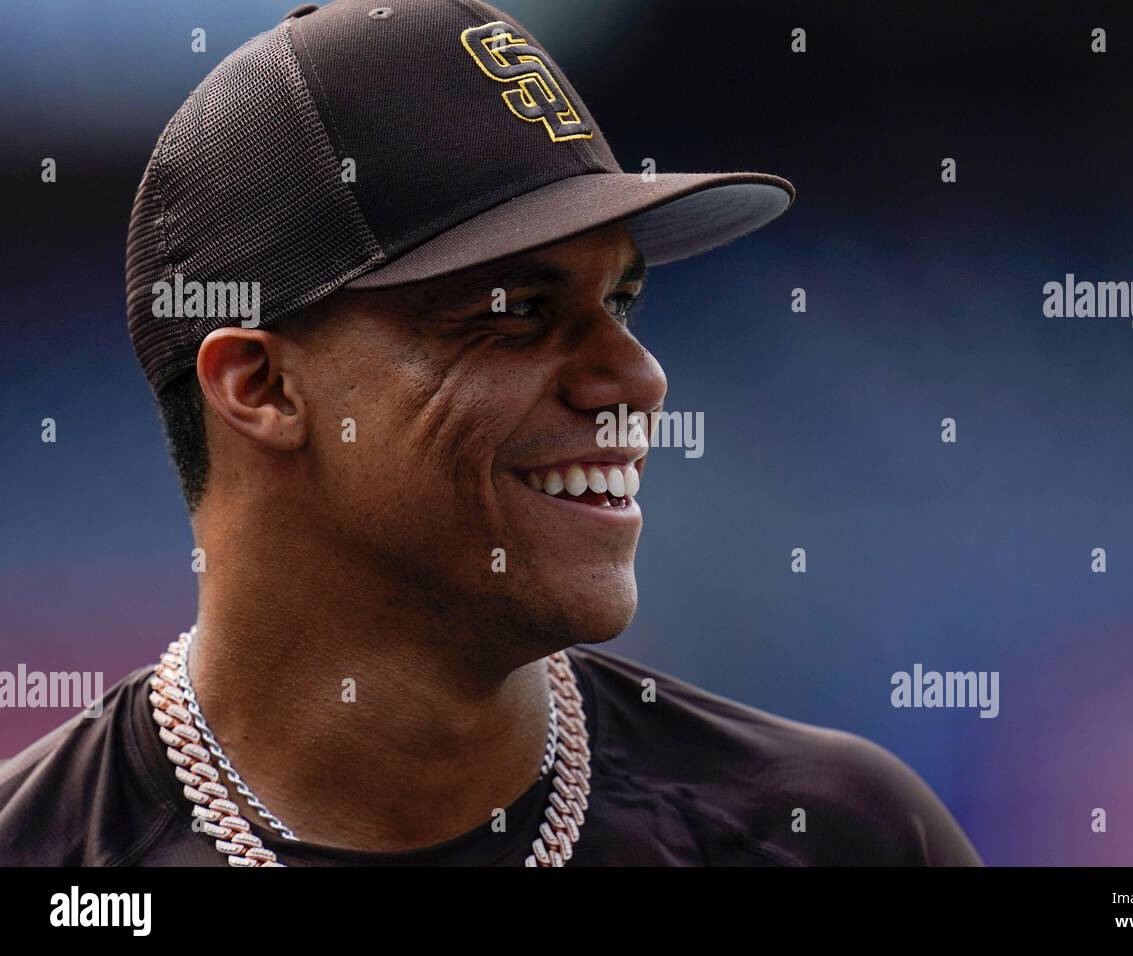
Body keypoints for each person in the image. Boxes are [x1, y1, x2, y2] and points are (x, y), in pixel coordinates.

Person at [0, 0, 980, 866]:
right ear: (260, 386)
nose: (636, 378)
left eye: (622, 302)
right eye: (514, 311)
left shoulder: (837, 830)